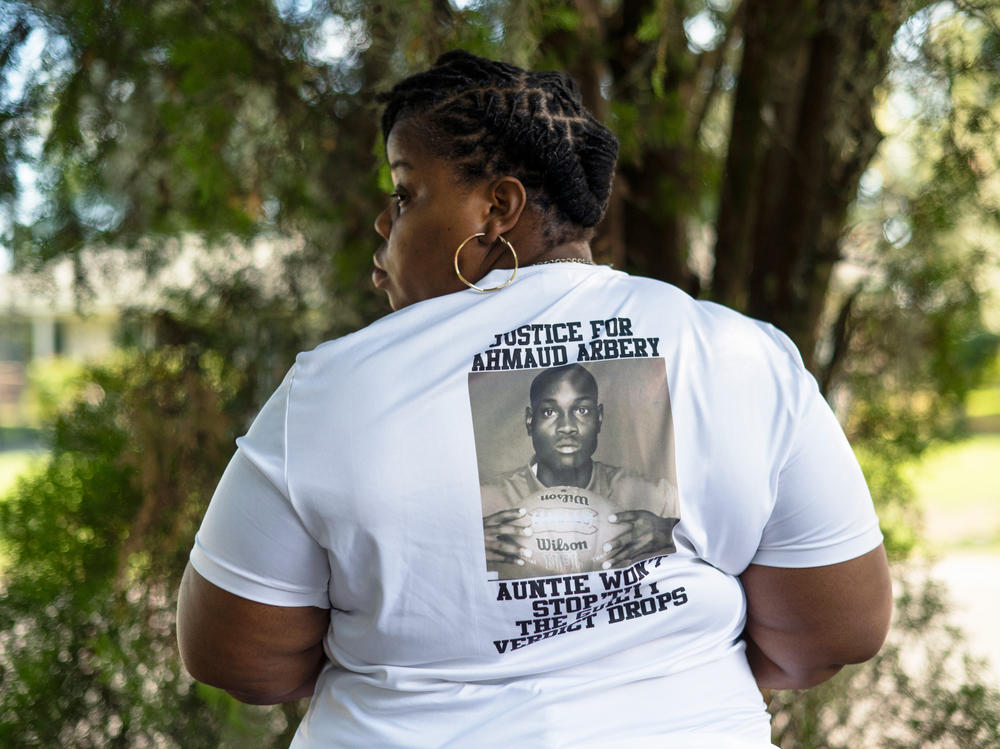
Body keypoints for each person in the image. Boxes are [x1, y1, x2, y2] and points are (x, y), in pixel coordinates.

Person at [177, 50, 892, 748]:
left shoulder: (329, 392)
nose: (383, 224)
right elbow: (834, 632)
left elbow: (236, 655)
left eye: (405, 195)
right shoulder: (739, 355)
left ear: (497, 208)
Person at [480, 363, 679, 577]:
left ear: (599, 418)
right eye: (549, 412)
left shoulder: (646, 494)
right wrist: (466, 542)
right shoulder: (487, 501)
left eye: (582, 410)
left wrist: (668, 530)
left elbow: (712, 532)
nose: (567, 427)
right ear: (530, 421)